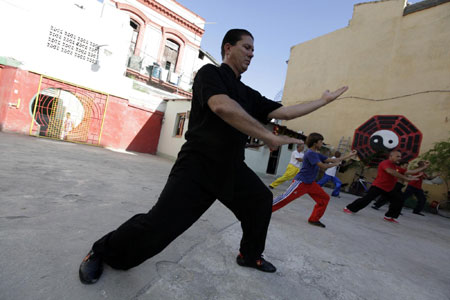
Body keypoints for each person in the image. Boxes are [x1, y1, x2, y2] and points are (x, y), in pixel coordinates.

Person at [79, 28, 350, 284]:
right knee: (159, 226)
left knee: (259, 201)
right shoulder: (209, 74)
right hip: (198, 165)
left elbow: (287, 112)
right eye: (247, 47)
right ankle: (102, 251)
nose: (251, 54)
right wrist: (267, 136)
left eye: (254, 50)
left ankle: (250, 255)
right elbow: (221, 106)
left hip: (231, 167)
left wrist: (323, 101)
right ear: (228, 48)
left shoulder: (248, 93)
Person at [272, 133, 357, 228]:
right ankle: (265, 208)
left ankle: (314, 219)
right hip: (301, 182)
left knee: (324, 198)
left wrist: (349, 155)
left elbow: (332, 160)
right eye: (320, 141)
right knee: (285, 198)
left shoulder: (316, 154)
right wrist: (336, 164)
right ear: (315, 143)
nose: (322, 143)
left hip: (310, 183)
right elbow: (323, 166)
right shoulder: (310, 153)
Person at [343, 151, 421, 223]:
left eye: (400, 157)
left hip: (388, 188)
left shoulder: (395, 166)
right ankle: (349, 208)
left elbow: (408, 172)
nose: (400, 158)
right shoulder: (385, 163)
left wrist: (423, 168)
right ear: (391, 156)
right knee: (367, 199)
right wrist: (406, 178)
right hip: (379, 186)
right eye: (398, 156)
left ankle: (389, 216)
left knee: (398, 200)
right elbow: (390, 171)